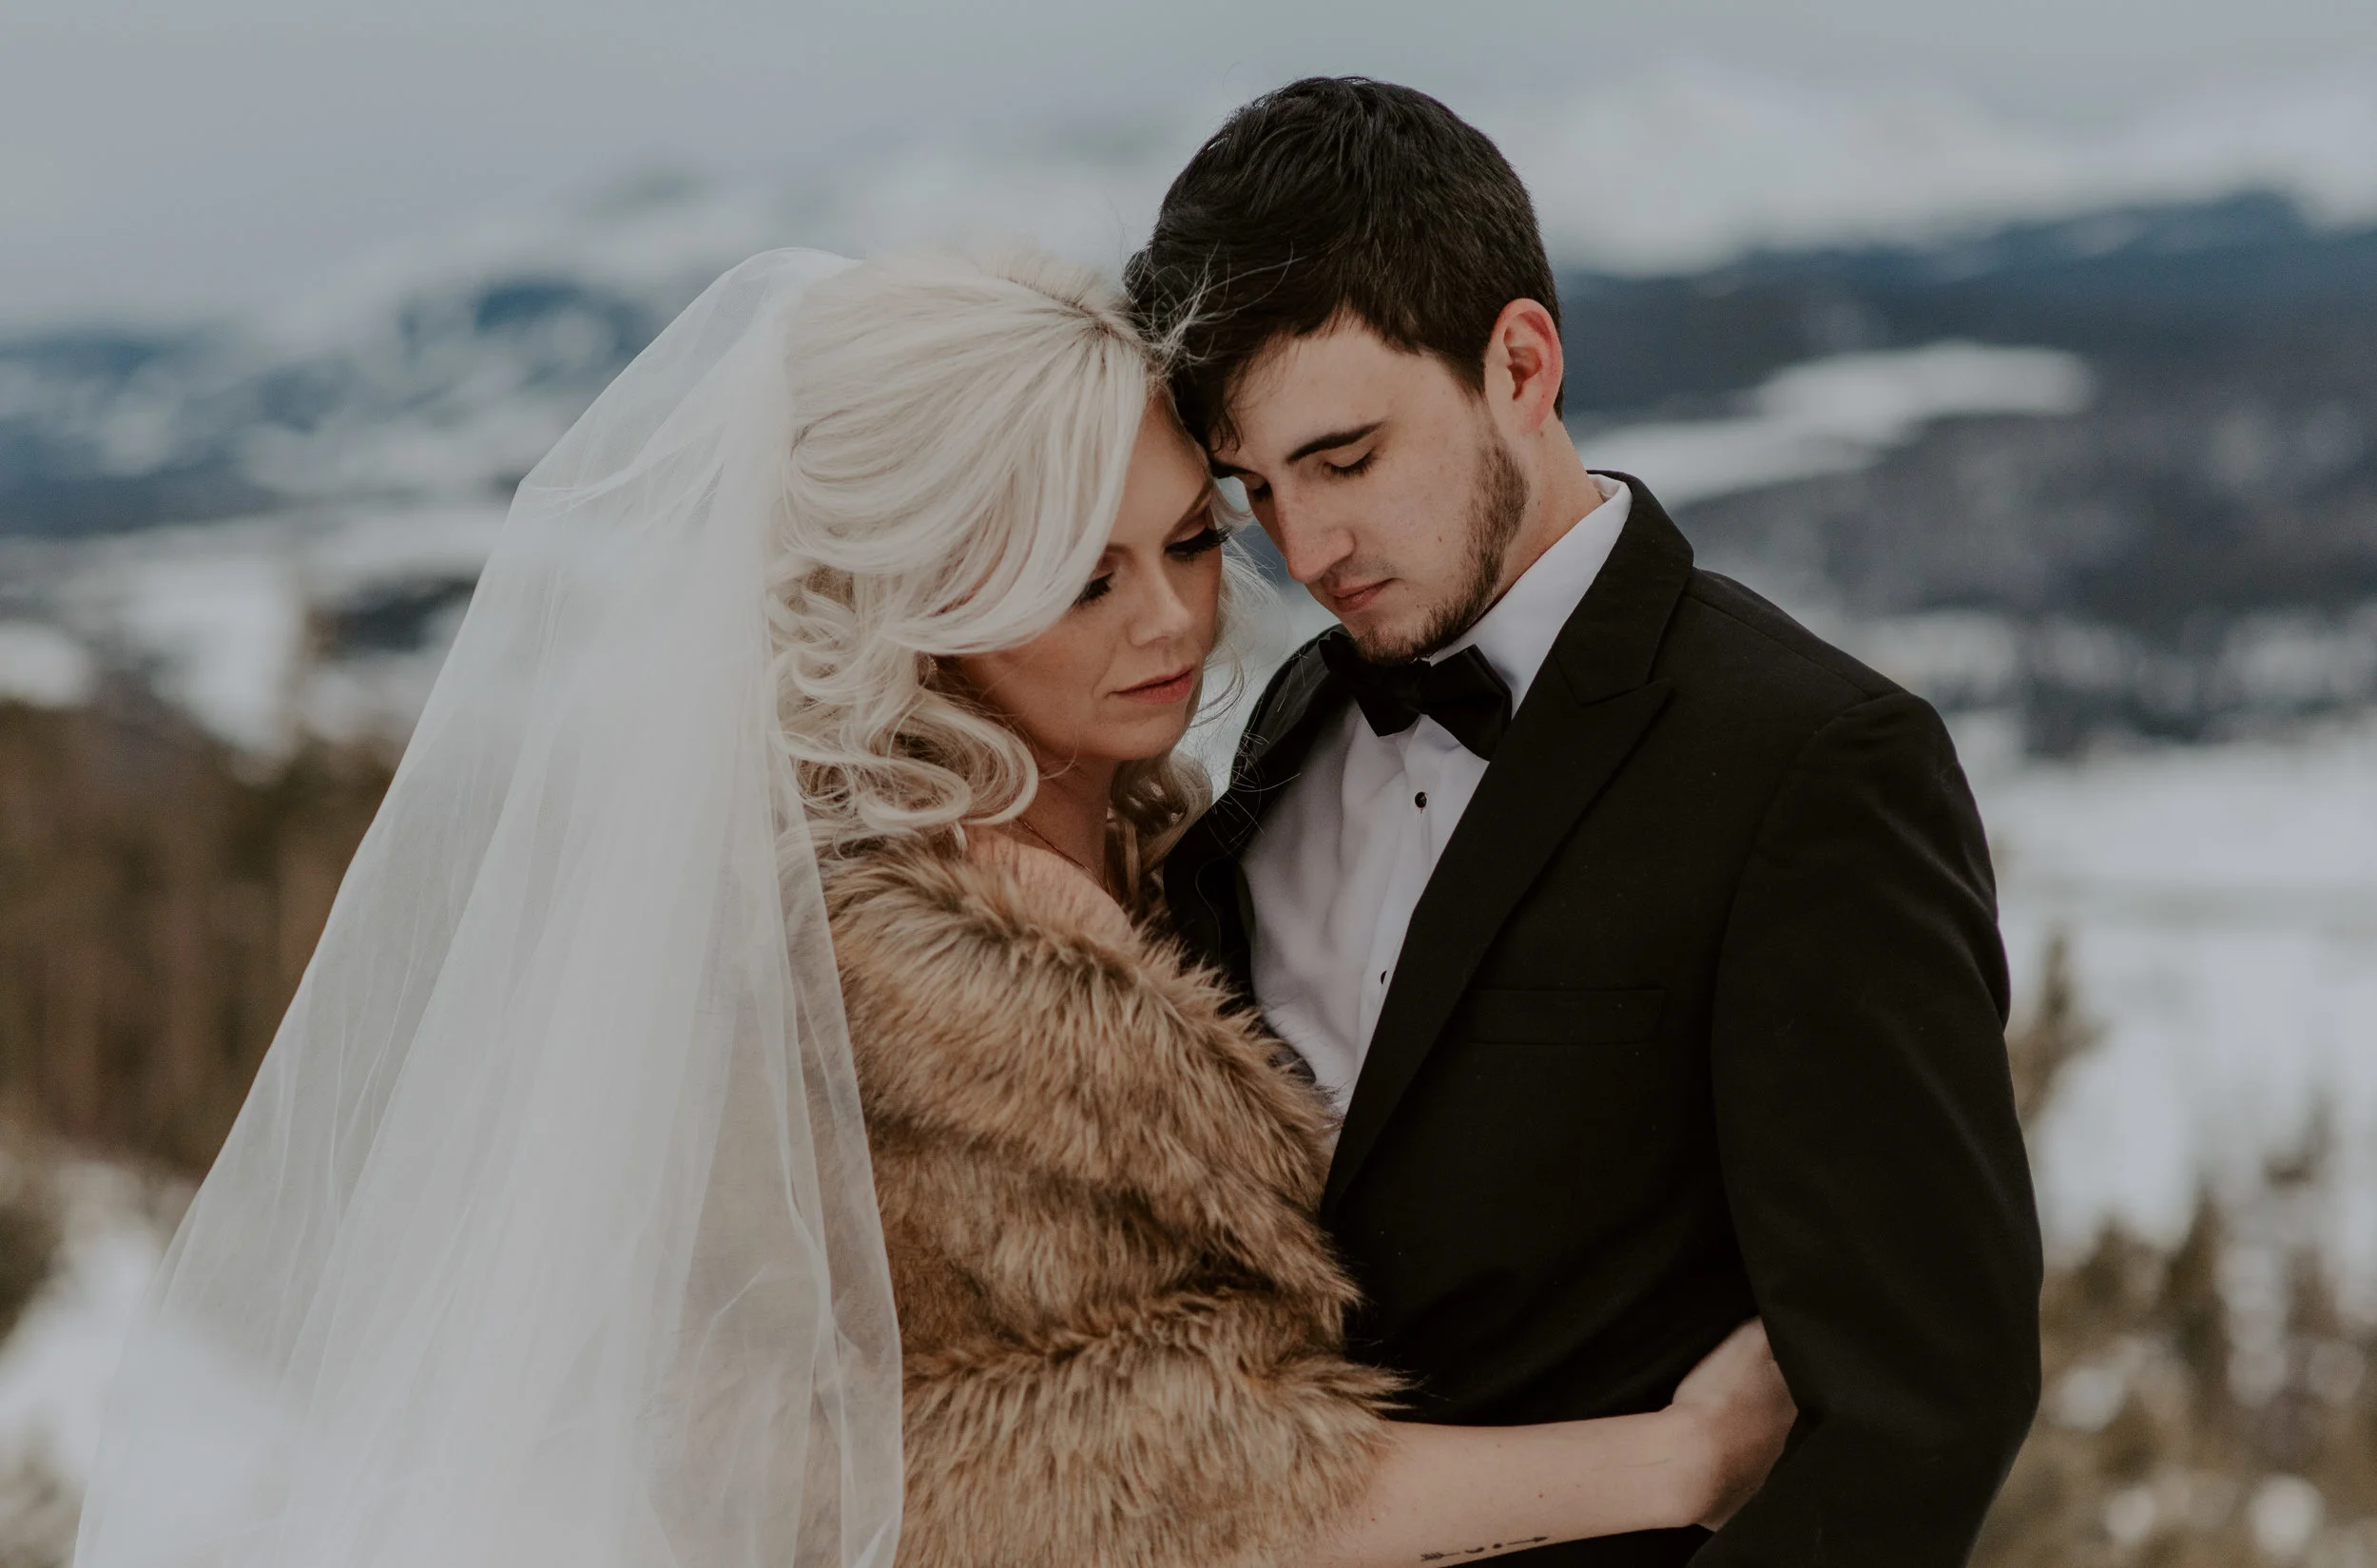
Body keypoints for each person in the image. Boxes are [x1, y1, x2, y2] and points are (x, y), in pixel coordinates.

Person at [70, 243, 1790, 1568]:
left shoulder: (1168, 823)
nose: (1172, 625)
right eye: (1080, 576)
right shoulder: (834, 967)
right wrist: (1676, 1462)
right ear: (917, 596)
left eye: (1192, 541)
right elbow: (1154, 1488)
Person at [1130, 79, 2045, 1566]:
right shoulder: (1298, 718)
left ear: (1522, 363)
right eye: (1255, 492)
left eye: (1347, 457)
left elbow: (1925, 1404)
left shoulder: (1813, 765)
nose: (1305, 548)